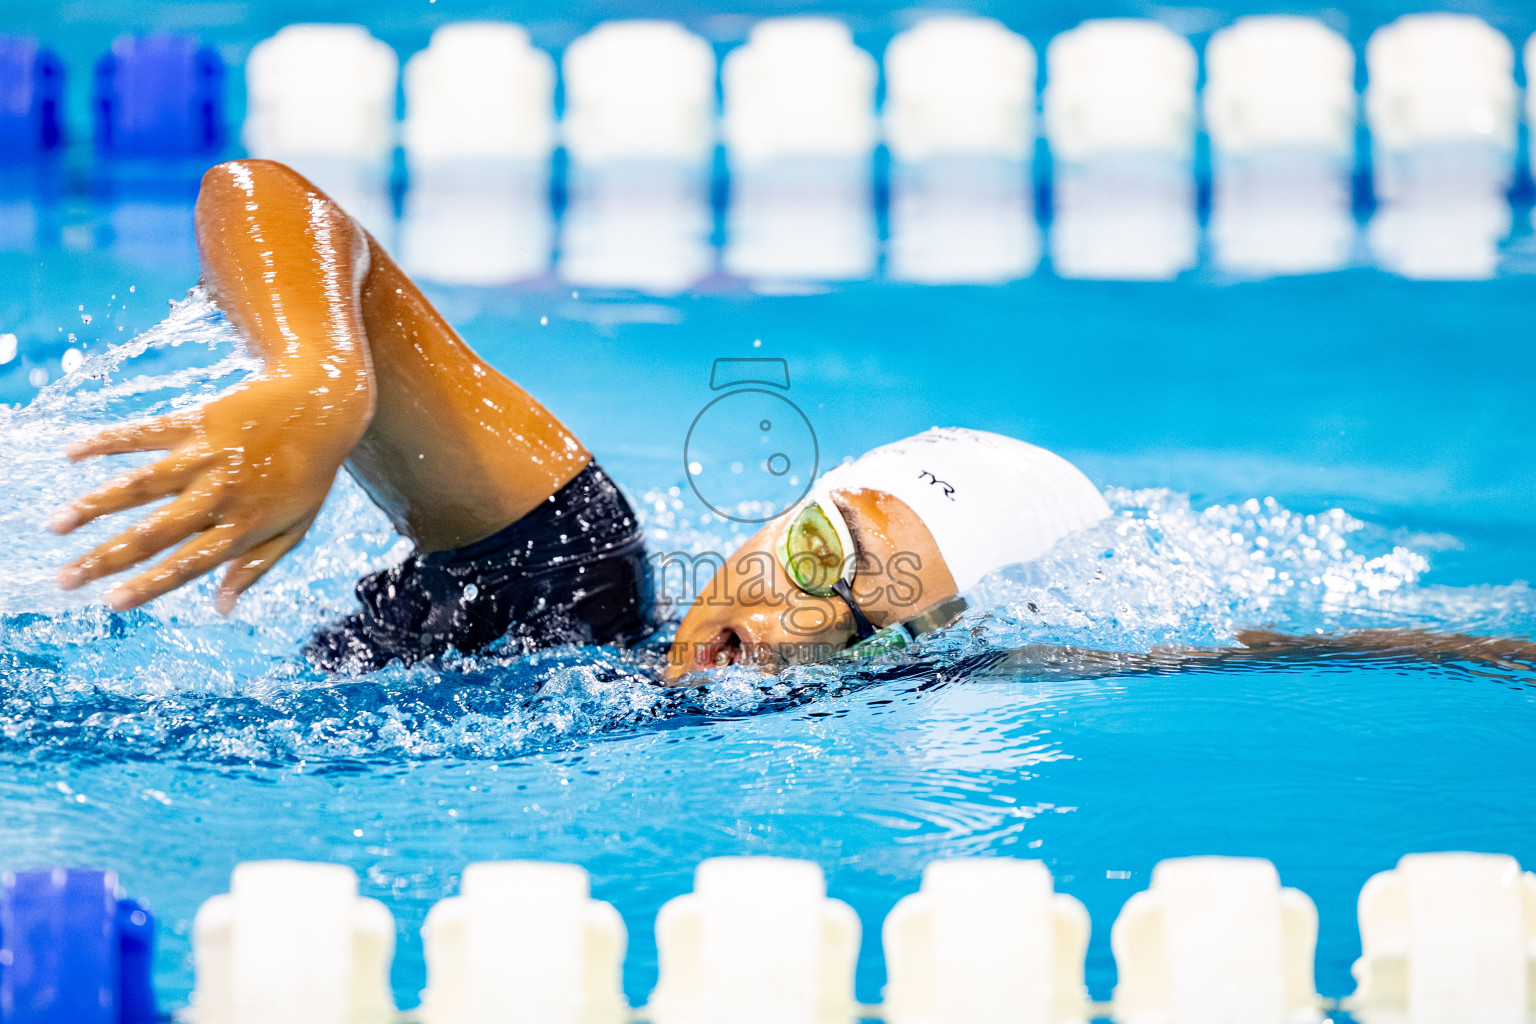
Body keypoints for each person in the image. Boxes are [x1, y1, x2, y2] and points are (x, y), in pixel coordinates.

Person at [49, 160, 1536, 684]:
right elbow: (270, 198)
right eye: (822, 548)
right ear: (786, 509)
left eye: (875, 625)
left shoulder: (869, 669)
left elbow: (1207, 658)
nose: (793, 622)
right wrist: (318, 389)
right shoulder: (568, 564)